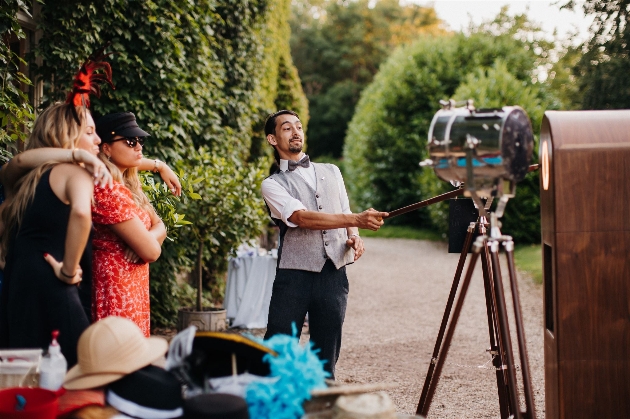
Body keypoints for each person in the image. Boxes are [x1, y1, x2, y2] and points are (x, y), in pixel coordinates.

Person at [261, 109, 388, 378]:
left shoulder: (332, 171)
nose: (296, 132)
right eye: (286, 128)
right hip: (294, 275)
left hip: (334, 274)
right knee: (278, 350)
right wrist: (356, 218)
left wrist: (354, 234)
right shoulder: (271, 184)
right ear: (272, 139)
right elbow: (301, 217)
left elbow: (344, 208)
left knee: (325, 354)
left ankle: (321, 407)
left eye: (298, 126)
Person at [0, 103, 100, 366]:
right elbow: (81, 214)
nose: (97, 140)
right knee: (74, 372)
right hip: (55, 286)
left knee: (25, 373)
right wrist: (68, 271)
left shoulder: (24, 182)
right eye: (89, 132)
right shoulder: (75, 173)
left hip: (18, 285)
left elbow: (18, 161)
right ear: (66, 134)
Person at [91, 112, 167, 336]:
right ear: (106, 148)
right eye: (130, 141)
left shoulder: (128, 181)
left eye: (140, 141)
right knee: (118, 352)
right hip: (115, 284)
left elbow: (160, 225)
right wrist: (145, 242)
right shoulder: (105, 188)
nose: (138, 147)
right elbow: (152, 252)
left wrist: (145, 239)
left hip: (134, 282)